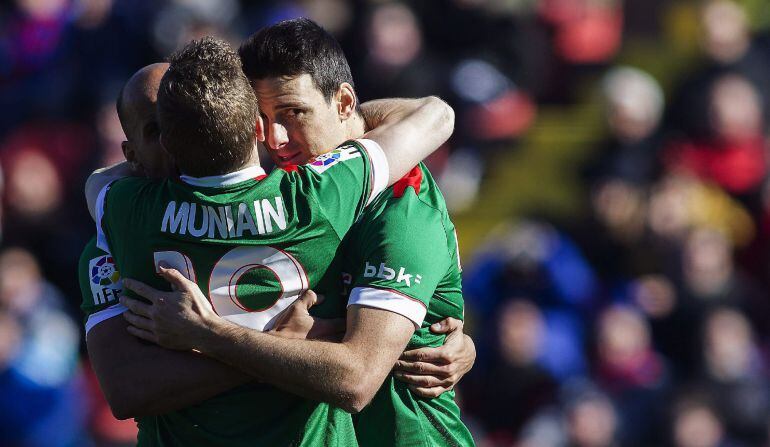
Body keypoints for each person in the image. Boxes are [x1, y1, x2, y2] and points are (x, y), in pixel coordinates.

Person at [86, 36, 455, 445]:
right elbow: (435, 114)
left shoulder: (118, 215)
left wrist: (209, 336)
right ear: (256, 128)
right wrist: (278, 345)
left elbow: (97, 183)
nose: (280, 137)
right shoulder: (315, 199)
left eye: (294, 113)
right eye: (150, 130)